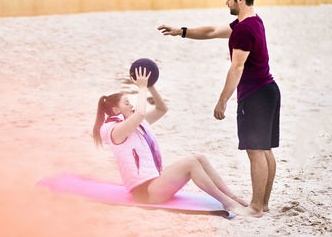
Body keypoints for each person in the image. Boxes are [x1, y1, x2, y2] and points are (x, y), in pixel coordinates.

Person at [157, 0, 281, 218]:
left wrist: (222, 101)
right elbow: (212, 31)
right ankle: (262, 204)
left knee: (256, 151)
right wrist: (181, 32)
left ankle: (255, 207)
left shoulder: (244, 30)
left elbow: (237, 68)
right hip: (268, 91)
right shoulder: (252, 22)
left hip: (255, 95)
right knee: (264, 150)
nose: (226, 2)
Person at [92, 66, 248, 215]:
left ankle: (231, 197)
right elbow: (139, 114)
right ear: (115, 110)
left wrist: (151, 87)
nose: (131, 105)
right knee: (190, 163)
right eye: (127, 103)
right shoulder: (116, 131)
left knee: (200, 158)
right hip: (145, 193)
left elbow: (161, 109)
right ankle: (226, 202)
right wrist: (142, 87)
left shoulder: (132, 124)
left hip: (154, 184)